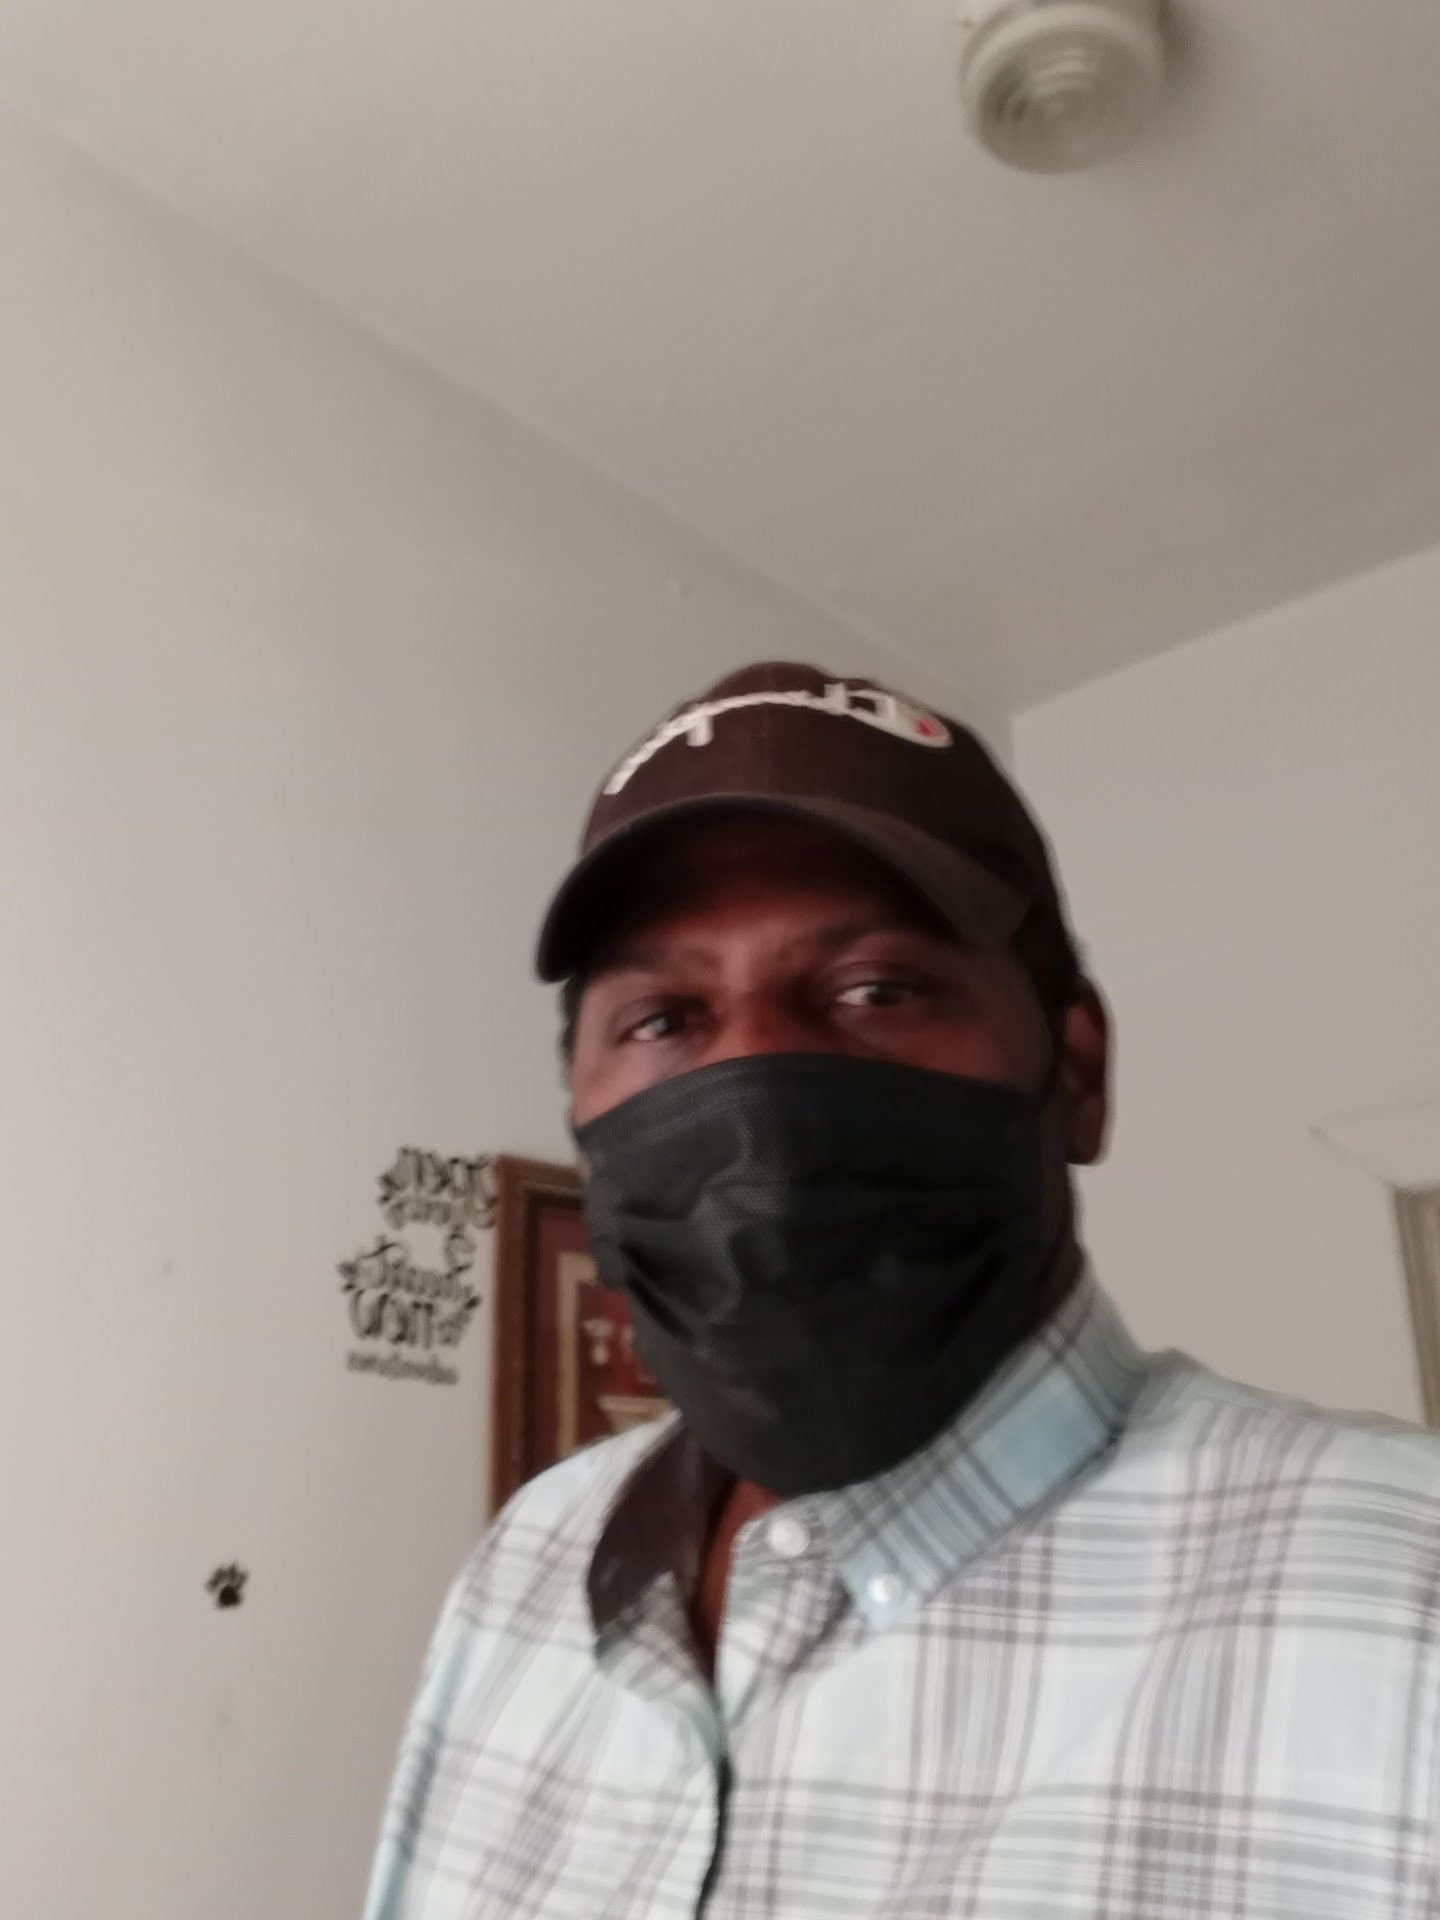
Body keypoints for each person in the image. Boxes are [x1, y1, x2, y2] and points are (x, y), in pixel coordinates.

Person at [364, 662, 1440, 1920]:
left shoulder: (1407, 1596)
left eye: (878, 990)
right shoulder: (530, 1559)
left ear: (1076, 1070)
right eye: (661, 1018)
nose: (757, 1093)